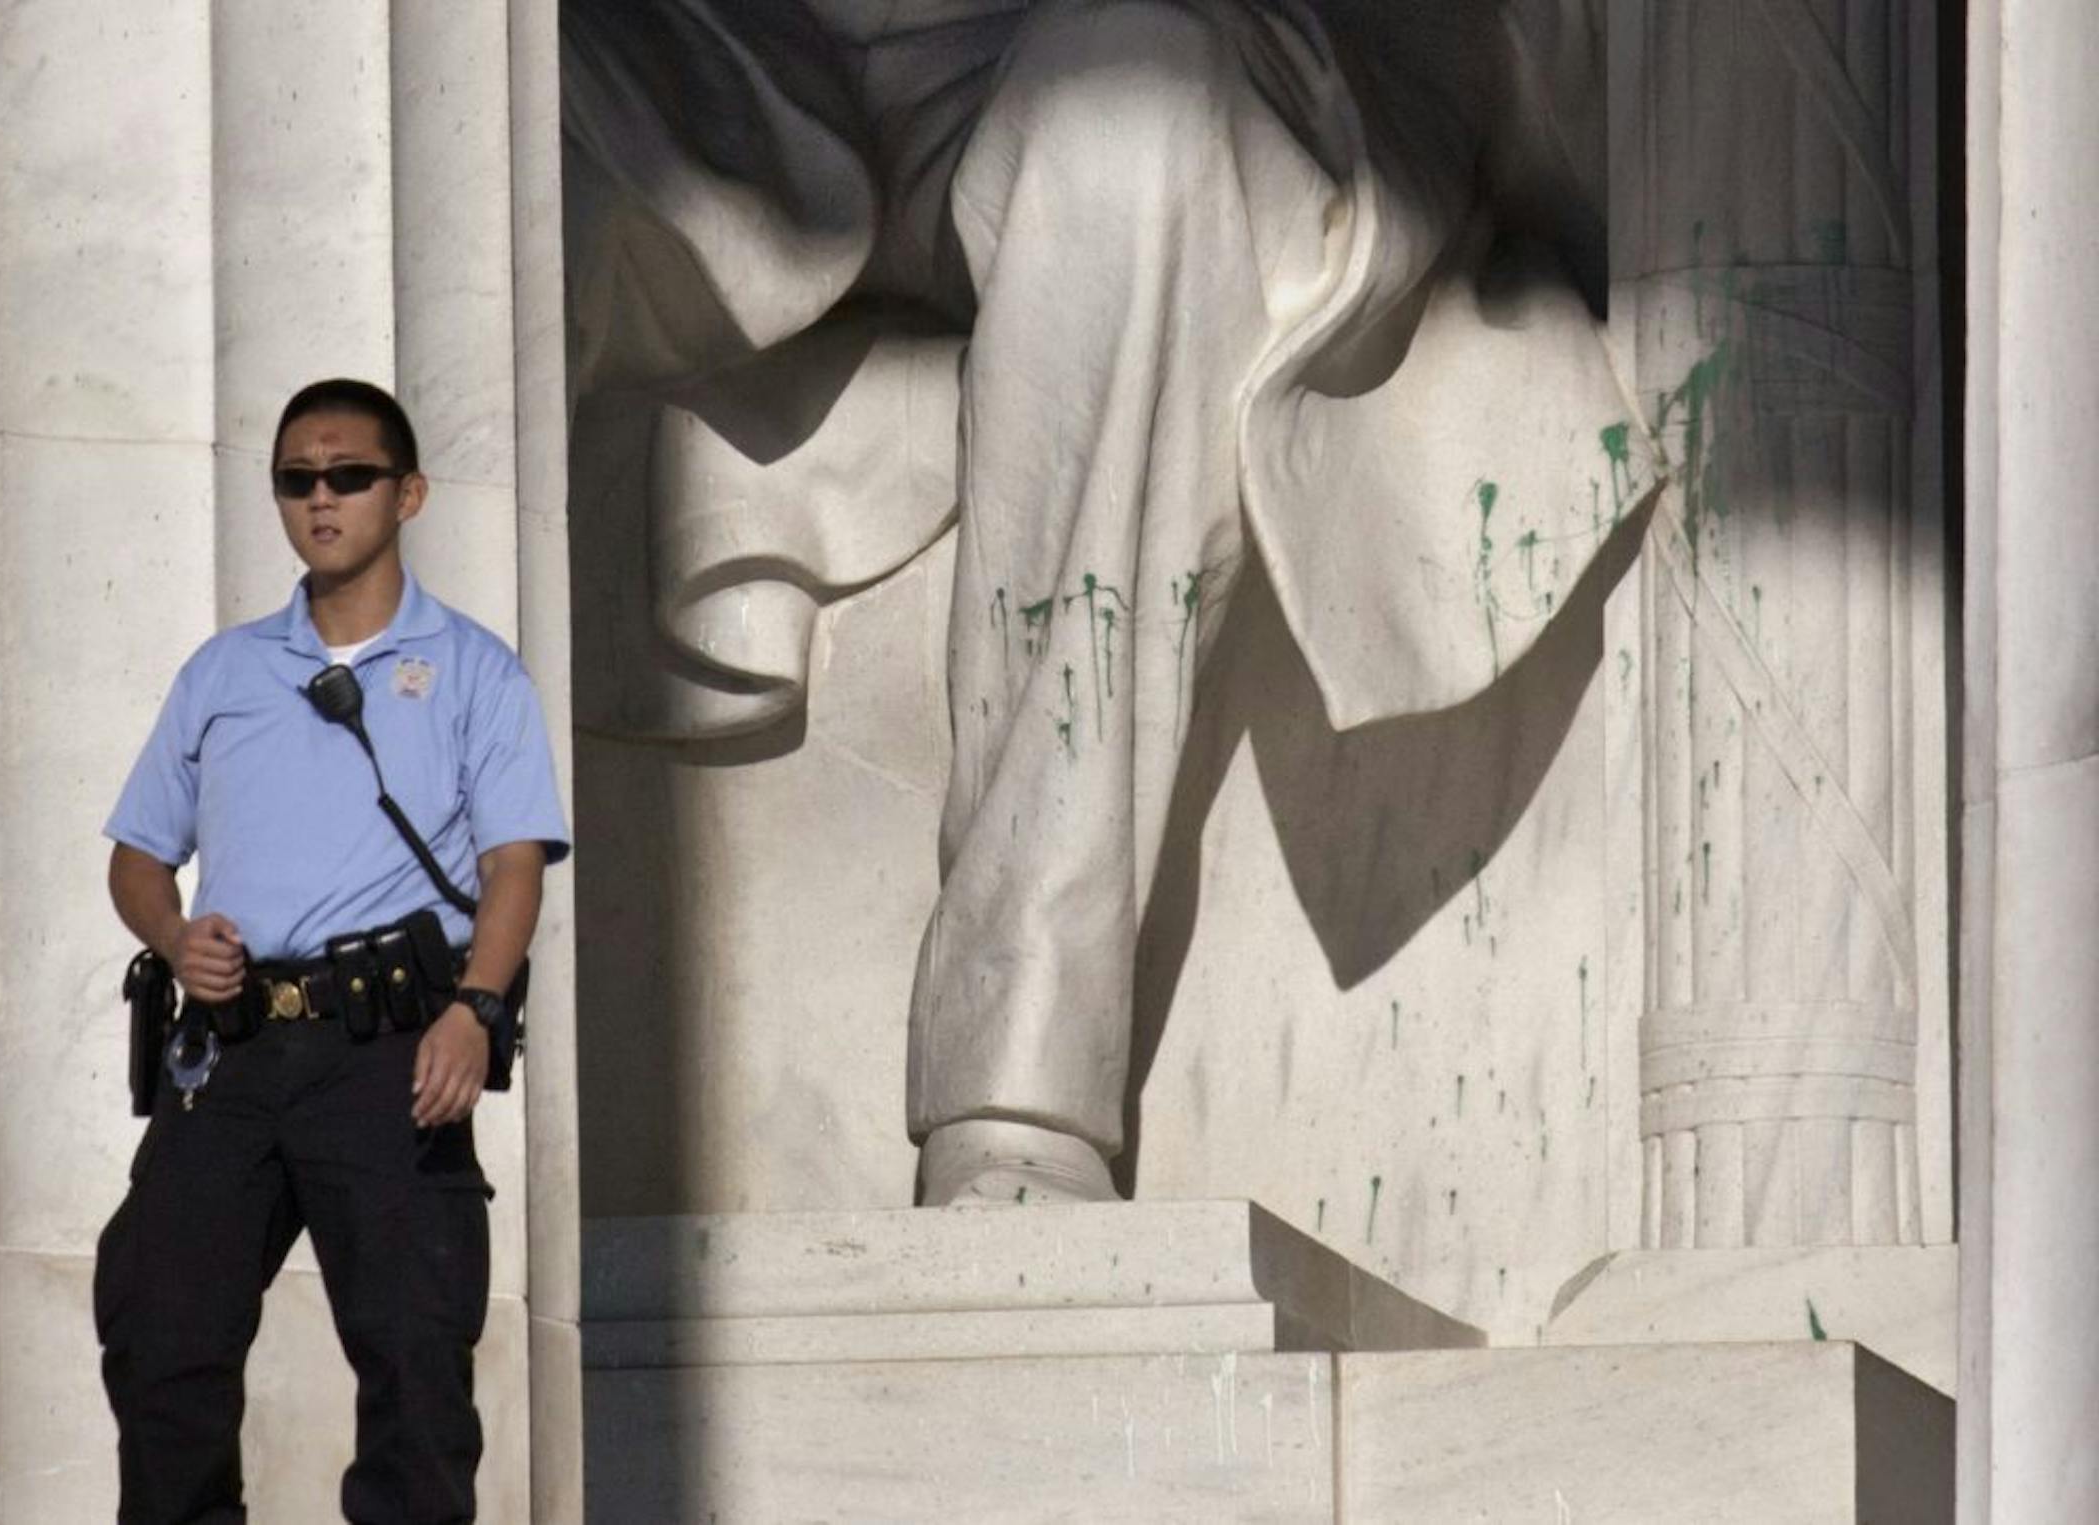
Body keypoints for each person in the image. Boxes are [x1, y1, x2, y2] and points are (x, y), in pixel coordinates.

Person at [563, 0, 1651, 1205]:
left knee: (1124, 116)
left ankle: (1018, 1082)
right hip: (743, 51)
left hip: (1183, 48)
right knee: (444, 110)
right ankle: (385, 1118)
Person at [94, 379, 571, 1524]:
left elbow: (515, 866)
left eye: (348, 475)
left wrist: (477, 1008)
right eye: (296, 479)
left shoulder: (473, 669)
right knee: (162, 1336)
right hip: (233, 1048)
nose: (321, 499)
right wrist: (175, 933)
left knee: (413, 1364)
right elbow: (136, 856)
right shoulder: (224, 671)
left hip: (393, 1047)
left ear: (405, 493)